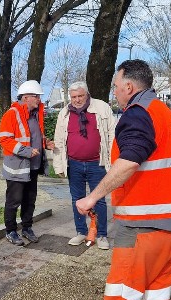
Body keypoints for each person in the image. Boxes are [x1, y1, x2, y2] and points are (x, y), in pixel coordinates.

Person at [75, 60, 171, 300]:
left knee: (122, 297)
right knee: (154, 296)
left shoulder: (137, 114)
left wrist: (92, 197)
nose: (115, 92)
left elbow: (130, 160)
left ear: (129, 86)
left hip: (143, 226)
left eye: (116, 86)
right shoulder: (165, 114)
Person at [53, 81, 116, 250]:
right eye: (74, 97)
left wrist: (112, 161)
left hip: (98, 163)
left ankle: (102, 234)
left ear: (87, 94)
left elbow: (112, 134)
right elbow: (59, 139)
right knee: (77, 199)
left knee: (100, 200)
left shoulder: (102, 108)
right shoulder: (64, 113)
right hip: (73, 164)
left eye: (80, 96)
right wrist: (58, 166)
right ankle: (81, 232)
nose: (77, 100)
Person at [0, 80, 54, 246]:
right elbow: (4, 139)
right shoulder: (12, 114)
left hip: (32, 167)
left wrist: (46, 143)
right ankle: (10, 231)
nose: (39, 99)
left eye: (38, 96)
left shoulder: (36, 115)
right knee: (14, 201)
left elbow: (36, 136)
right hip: (17, 168)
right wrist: (26, 151)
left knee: (30, 200)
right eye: (35, 96)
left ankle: (27, 228)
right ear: (25, 98)